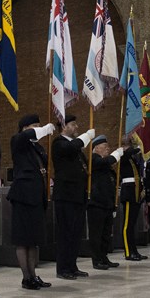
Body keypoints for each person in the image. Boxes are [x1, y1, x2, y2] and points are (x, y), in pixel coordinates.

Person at [7, 114, 54, 290]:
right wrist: (39, 130)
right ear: (24, 128)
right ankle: (26, 277)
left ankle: (34, 275)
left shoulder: (37, 148)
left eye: (38, 126)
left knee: (34, 239)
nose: (37, 129)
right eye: (33, 126)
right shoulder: (18, 142)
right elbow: (23, 137)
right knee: (23, 239)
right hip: (23, 196)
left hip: (36, 196)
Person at [52, 114, 94, 279]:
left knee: (76, 233)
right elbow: (70, 148)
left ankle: (72, 265)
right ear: (64, 127)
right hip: (66, 196)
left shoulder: (75, 148)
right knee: (66, 233)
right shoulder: (59, 143)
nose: (77, 127)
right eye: (73, 124)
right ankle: (63, 269)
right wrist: (86, 137)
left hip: (77, 195)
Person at [89, 136, 126, 269]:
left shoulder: (106, 165)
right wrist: (116, 154)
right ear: (96, 148)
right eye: (105, 147)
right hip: (97, 203)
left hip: (107, 203)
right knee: (96, 234)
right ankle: (97, 260)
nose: (108, 149)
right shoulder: (94, 159)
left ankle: (104, 257)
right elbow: (105, 162)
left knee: (106, 234)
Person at [117, 136, 146, 261]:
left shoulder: (132, 154)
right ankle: (128, 252)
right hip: (128, 191)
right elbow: (130, 152)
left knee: (132, 224)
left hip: (135, 191)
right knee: (127, 225)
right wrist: (141, 144)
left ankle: (134, 250)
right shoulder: (122, 153)